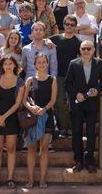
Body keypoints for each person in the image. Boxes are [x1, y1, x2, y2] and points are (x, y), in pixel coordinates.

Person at [65, 40, 102, 173]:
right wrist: (76, 94)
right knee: (77, 133)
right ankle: (78, 160)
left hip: (92, 103)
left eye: (88, 49)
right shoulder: (73, 64)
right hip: (77, 103)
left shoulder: (100, 63)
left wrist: (98, 89)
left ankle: (90, 161)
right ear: (80, 50)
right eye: (83, 49)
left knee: (90, 133)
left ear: (94, 50)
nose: (86, 51)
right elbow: (67, 83)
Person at [0, 56, 25, 189]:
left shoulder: (20, 81)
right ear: (2, 66)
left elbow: (17, 103)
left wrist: (4, 117)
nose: (8, 66)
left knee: (11, 149)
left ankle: (10, 178)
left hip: (12, 118)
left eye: (11, 63)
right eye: (6, 64)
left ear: (15, 66)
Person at [23, 54, 57, 188]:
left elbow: (53, 99)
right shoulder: (30, 80)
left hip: (47, 116)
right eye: (39, 62)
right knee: (31, 149)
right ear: (35, 64)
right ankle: (30, 180)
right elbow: (24, 100)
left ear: (47, 63)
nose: (42, 64)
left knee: (44, 149)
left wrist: (45, 109)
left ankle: (42, 180)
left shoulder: (52, 80)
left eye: (44, 62)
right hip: (32, 117)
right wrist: (31, 107)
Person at [49, 15, 81, 137]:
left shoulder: (78, 42)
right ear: (63, 24)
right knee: (59, 103)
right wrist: (47, 41)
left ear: (75, 27)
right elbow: (43, 41)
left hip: (73, 78)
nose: (69, 27)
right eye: (67, 24)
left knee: (72, 104)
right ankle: (63, 127)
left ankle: (70, 128)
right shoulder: (55, 39)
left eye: (72, 25)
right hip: (58, 76)